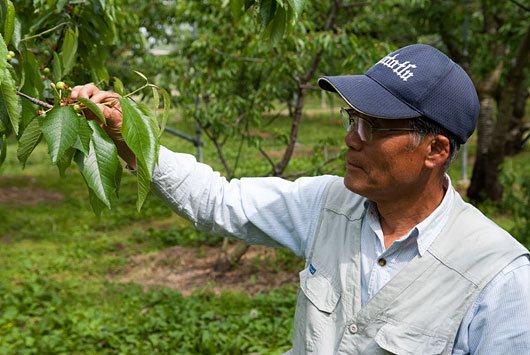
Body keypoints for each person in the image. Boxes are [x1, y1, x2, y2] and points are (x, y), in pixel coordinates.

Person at [71, 44, 530, 354]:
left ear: (436, 150)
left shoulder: (498, 278)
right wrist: (130, 138)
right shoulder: (327, 205)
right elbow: (217, 201)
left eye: (373, 125)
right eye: (352, 119)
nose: (352, 139)